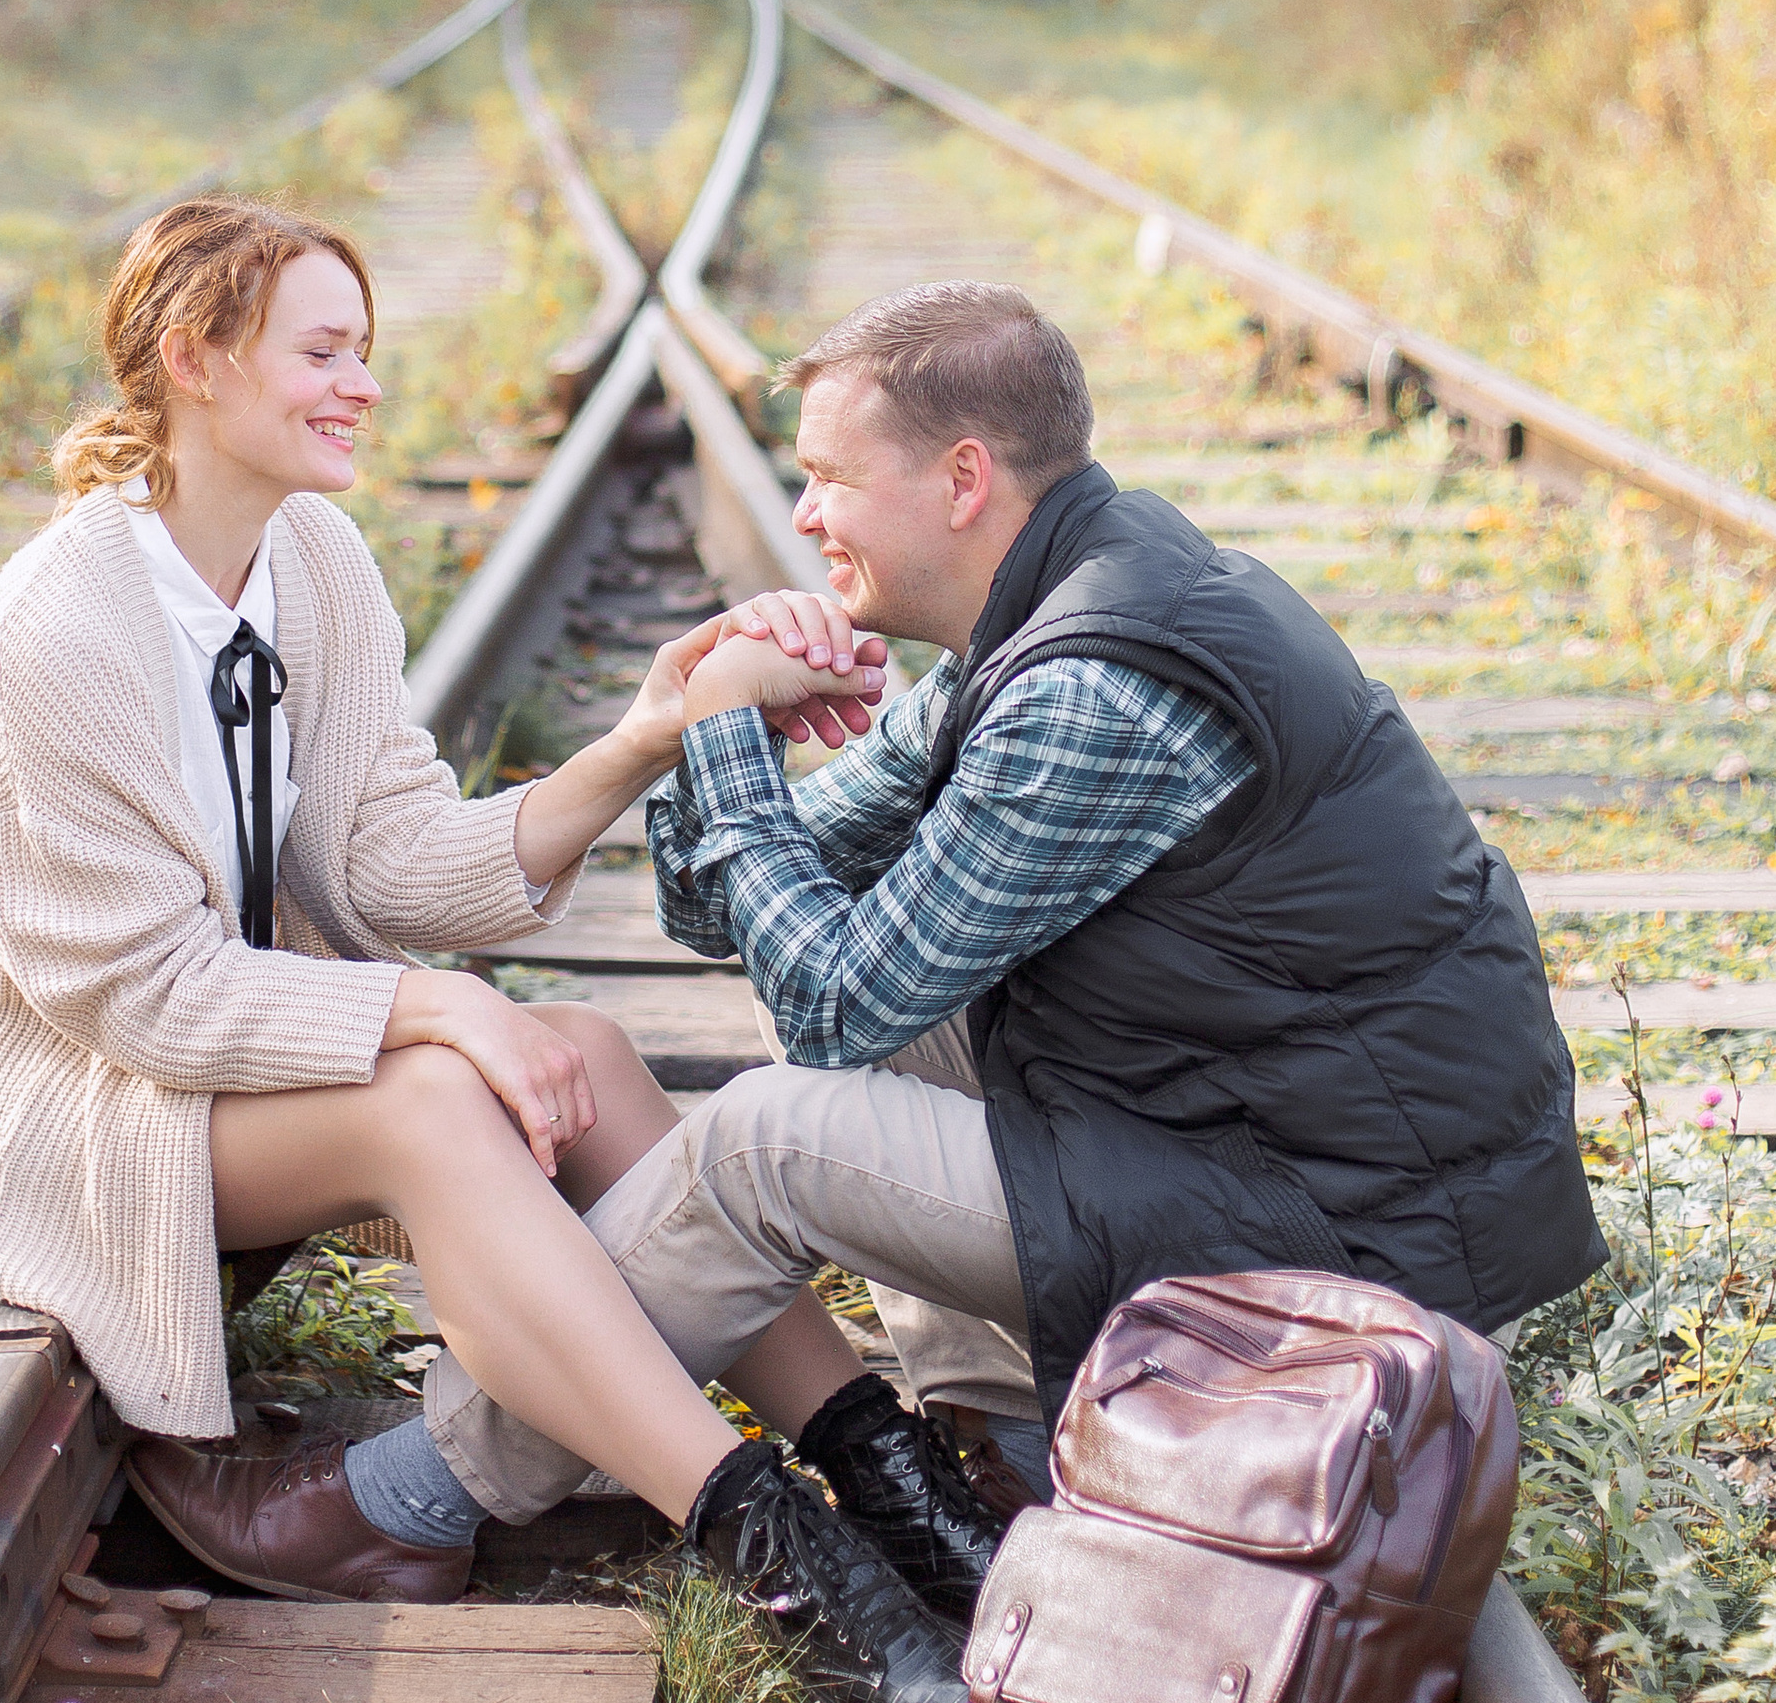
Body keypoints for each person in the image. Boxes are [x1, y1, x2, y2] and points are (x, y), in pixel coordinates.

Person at [260, 276, 1606, 1555]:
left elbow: (828, 999)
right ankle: (1004, 1444)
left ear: (963, 480)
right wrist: (700, 727)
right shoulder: (1039, 620)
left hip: (1351, 1230)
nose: (801, 517)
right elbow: (720, 912)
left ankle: (409, 1504)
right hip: (1246, 1131)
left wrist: (733, 748)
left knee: (766, 1142)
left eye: (831, 480)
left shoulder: (1095, 686)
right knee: (889, 1015)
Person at [0, 192, 974, 1703]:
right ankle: (791, 1571)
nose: (362, 384)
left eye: (364, 350)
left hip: (196, 1060)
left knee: (591, 1058)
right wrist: (436, 1003)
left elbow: (395, 858)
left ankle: (897, 1488)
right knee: (434, 1104)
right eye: (322, 350)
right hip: (76, 1110)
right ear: (194, 362)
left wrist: (646, 737)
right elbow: (135, 1001)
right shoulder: (55, 629)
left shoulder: (311, 563)